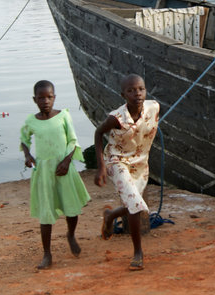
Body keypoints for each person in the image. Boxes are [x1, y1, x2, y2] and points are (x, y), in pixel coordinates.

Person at [20, 80, 91, 270]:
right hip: (44, 171)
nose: (45, 101)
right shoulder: (31, 121)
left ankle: (71, 234)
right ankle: (47, 254)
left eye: (49, 97)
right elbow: (24, 140)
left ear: (54, 98)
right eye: (41, 98)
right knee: (46, 213)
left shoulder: (63, 116)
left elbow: (73, 140)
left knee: (71, 208)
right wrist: (28, 156)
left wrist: (67, 161)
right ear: (35, 100)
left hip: (63, 167)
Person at [94, 74, 160, 271]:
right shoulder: (116, 118)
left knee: (135, 204)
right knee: (135, 203)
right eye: (131, 91)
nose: (137, 93)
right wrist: (101, 167)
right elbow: (98, 133)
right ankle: (138, 252)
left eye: (140, 89)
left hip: (140, 162)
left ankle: (110, 215)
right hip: (118, 161)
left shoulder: (154, 107)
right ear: (123, 94)